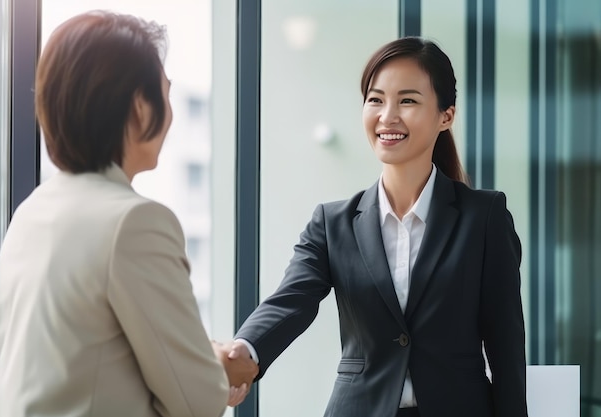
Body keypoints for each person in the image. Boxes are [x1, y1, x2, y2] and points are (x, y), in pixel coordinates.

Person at [226, 37, 527, 417]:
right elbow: (290, 304)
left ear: (446, 115)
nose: (387, 116)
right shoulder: (332, 224)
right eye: (375, 99)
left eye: (408, 100)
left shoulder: (484, 217)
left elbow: (506, 345)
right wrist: (245, 351)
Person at [0, 11, 257, 417]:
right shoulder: (134, 223)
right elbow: (197, 400)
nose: (171, 113)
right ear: (138, 107)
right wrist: (220, 366)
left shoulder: (32, 213)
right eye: (165, 94)